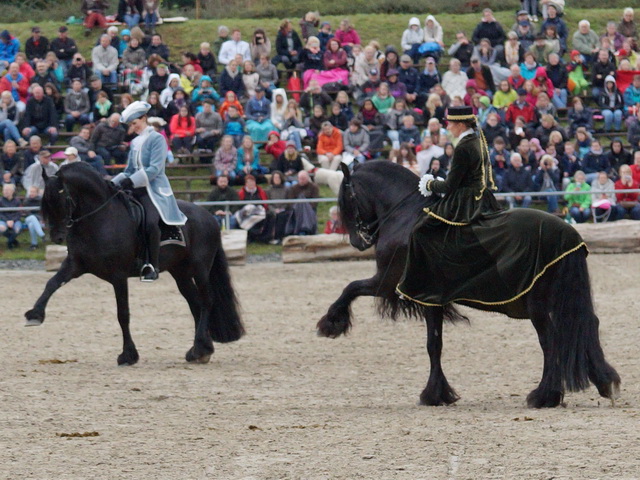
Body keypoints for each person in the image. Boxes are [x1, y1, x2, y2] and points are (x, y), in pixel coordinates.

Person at [396, 105, 504, 305]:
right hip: (483, 196)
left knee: (420, 230)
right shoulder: (477, 140)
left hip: (467, 200)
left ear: (461, 124)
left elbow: (450, 185)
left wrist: (429, 183)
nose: (448, 127)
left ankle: (414, 285)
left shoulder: (464, 146)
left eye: (450, 123)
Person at [112, 101, 187, 281]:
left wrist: (131, 181)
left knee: (150, 222)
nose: (133, 127)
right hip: (135, 188)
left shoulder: (157, 139)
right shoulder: (135, 142)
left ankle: (152, 265)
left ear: (144, 118)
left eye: (134, 123)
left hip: (153, 190)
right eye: (130, 125)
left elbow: (155, 169)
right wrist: (112, 184)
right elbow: (129, 169)